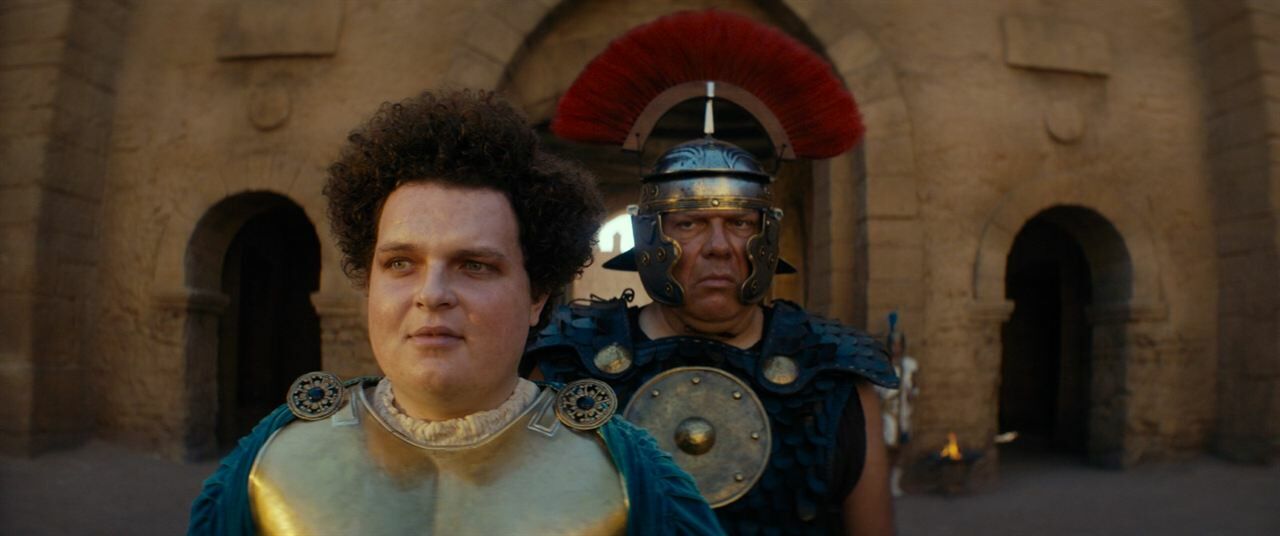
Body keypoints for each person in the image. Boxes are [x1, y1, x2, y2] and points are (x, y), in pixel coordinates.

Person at [188, 89, 722, 535]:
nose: (432, 293)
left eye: (474, 266)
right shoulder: (267, 465)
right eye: (400, 263)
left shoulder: (632, 480)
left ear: (537, 294)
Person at [525, 10, 901, 535]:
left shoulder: (833, 379)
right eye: (690, 223)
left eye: (740, 223)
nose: (720, 247)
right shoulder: (567, 365)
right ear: (650, 236)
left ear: (766, 236)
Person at [876, 314, 920, 498]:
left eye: (899, 344)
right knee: (886, 449)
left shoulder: (910, 365)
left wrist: (912, 393)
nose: (896, 348)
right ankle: (882, 484)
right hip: (887, 413)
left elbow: (915, 387)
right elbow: (876, 389)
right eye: (893, 344)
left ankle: (895, 485)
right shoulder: (882, 366)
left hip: (903, 413)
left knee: (901, 450)